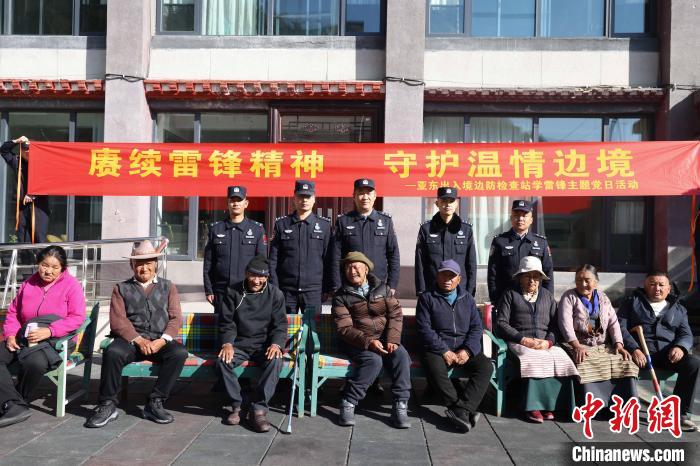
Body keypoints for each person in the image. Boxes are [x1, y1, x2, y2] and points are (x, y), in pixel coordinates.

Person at [85, 240, 188, 428]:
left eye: (148, 263)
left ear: (156, 264)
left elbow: (176, 318)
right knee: (113, 352)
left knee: (179, 353)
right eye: (139, 264)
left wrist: (162, 341)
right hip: (130, 342)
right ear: (131, 265)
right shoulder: (121, 288)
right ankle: (107, 405)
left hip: (159, 341)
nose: (144, 268)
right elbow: (118, 320)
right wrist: (139, 340)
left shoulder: (168, 286)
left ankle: (155, 401)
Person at [0, 246, 85, 427]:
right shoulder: (28, 284)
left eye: (55, 267)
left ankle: (16, 401)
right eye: (45, 265)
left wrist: (50, 331)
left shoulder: (72, 286)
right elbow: (13, 313)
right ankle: (14, 404)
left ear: (63, 268)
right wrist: (10, 334)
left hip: (56, 341)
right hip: (24, 337)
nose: (48, 271)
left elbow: (77, 317)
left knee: (34, 363)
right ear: (38, 263)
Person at [333, 251, 411, 429]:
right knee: (373, 361)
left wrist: (392, 339)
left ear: (366, 269)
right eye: (348, 267)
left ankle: (400, 404)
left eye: (356, 267)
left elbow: (396, 314)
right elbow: (344, 329)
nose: (352, 271)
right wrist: (369, 342)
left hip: (384, 339)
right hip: (357, 342)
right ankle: (349, 401)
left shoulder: (383, 289)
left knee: (401, 356)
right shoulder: (341, 296)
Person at [495, 256, 578, 423]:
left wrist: (548, 342)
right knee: (533, 359)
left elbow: (556, 325)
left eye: (536, 276)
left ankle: (552, 405)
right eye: (527, 276)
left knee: (562, 359)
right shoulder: (510, 295)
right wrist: (523, 339)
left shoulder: (547, 296)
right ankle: (532, 406)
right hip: (519, 342)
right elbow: (501, 323)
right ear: (520, 277)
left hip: (544, 342)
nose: (532, 280)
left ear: (541, 279)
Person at [415, 259, 493, 433]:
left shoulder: (468, 299)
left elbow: (476, 327)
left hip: (463, 347)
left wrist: (468, 350)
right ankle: (459, 408)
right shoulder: (427, 298)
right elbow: (424, 329)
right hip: (437, 348)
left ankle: (464, 408)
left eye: (452, 276)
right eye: (444, 275)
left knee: (485, 367)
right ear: (437, 276)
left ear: (459, 279)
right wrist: (444, 350)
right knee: (434, 367)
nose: (447, 279)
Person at [618, 271, 700, 432]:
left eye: (661, 285)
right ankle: (624, 408)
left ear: (668, 288)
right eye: (652, 284)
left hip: (667, 354)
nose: (657, 288)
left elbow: (686, 334)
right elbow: (620, 328)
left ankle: (681, 414)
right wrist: (634, 349)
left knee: (693, 363)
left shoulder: (679, 309)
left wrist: (680, 347)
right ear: (645, 286)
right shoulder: (631, 303)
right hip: (639, 354)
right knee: (619, 362)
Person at [216, 255, 287, 432]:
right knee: (223, 361)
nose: (256, 281)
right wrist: (227, 344)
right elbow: (226, 323)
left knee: (276, 361)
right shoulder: (233, 292)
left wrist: (276, 344)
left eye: (261, 277)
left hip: (263, 345)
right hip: (239, 344)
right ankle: (238, 405)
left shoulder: (275, 294)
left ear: (267, 277)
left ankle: (259, 409)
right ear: (246, 273)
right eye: (253, 275)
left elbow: (280, 325)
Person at [558, 264, 638, 407]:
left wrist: (619, 345)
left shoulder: (603, 297)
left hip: (602, 344)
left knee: (625, 361)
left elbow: (613, 322)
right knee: (584, 362)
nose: (583, 284)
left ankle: (622, 405)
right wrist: (576, 346)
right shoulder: (569, 297)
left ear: (596, 282)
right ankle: (592, 406)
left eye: (587, 280)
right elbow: (565, 324)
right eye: (578, 280)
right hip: (577, 344)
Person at [269, 180, 332, 314]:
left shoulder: (324, 226)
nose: (304, 200)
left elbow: (328, 260)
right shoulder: (282, 224)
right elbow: (273, 259)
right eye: (301, 196)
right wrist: (274, 287)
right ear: (294, 198)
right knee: (284, 326)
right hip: (286, 291)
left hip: (313, 291)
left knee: (311, 327)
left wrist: (326, 288)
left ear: (314, 199)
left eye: (308, 197)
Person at [203, 185, 267, 315]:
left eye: (239, 200)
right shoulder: (216, 229)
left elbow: (262, 263)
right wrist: (209, 290)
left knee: (248, 326)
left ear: (246, 203)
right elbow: (208, 264)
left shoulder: (257, 230)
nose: (235, 204)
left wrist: (260, 289)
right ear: (227, 203)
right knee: (222, 326)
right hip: (222, 291)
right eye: (232, 200)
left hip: (248, 290)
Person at [331, 178, 399, 295]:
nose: (365, 197)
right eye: (361, 193)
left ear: (375, 196)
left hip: (379, 286)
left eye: (369, 193)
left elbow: (393, 255)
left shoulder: (385, 221)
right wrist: (337, 285)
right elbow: (335, 256)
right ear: (354, 196)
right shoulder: (343, 221)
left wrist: (392, 285)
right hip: (350, 286)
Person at [487, 200, 553, 307]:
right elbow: (492, 275)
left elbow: (548, 274)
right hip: (507, 301)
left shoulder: (541, 242)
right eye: (516, 215)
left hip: (535, 301)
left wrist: (547, 302)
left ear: (531, 219)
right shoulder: (500, 241)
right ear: (511, 218)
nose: (520, 218)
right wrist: (496, 300)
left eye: (524, 215)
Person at [415, 187, 477, 296]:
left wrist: (470, 292)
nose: (448, 205)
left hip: (459, 291)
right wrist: (421, 290)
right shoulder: (426, 229)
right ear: (437, 203)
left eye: (451, 201)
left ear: (456, 204)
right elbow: (420, 263)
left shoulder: (466, 230)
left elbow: (471, 264)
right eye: (444, 201)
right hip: (432, 290)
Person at [0, 135, 50, 244]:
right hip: (22, 206)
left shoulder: (42, 163)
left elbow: (48, 182)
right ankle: (24, 256)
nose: (27, 151)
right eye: (24, 149)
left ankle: (41, 256)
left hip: (39, 206)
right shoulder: (17, 161)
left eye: (29, 149)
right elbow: (3, 150)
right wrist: (16, 141)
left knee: (39, 237)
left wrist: (33, 194)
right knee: (22, 237)